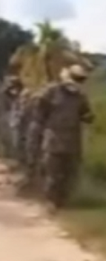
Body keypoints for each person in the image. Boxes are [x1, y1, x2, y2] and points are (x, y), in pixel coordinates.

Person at [32, 64, 93, 210]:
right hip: (53, 139)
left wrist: (88, 117)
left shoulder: (80, 96)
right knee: (53, 174)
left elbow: (85, 113)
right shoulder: (51, 92)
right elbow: (39, 111)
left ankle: (63, 202)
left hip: (73, 141)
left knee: (70, 174)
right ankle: (51, 201)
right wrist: (39, 131)